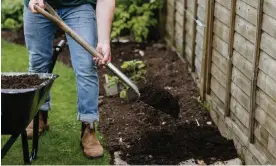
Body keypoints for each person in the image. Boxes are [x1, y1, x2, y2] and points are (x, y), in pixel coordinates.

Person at [23, 0, 115, 158]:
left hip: (78, 5)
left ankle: (88, 127)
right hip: (40, 5)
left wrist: (104, 42)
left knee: (87, 65)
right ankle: (39, 115)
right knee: (38, 65)